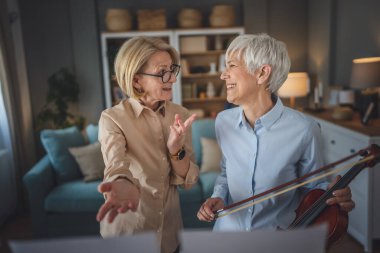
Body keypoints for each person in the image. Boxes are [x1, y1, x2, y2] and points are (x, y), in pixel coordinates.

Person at [197, 34, 355, 232]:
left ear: (262, 73)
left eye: (232, 65)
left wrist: (335, 198)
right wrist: (218, 196)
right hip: (227, 234)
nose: (223, 75)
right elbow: (226, 173)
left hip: (276, 240)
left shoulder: (305, 128)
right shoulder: (223, 121)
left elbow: (313, 188)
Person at [96, 36, 198, 253]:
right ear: (136, 81)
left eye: (172, 70)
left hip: (171, 235)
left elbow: (188, 181)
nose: (172, 79)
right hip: (130, 233)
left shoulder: (180, 115)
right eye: (162, 72)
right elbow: (116, 164)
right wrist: (121, 183)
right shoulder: (112, 118)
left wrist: (175, 150)